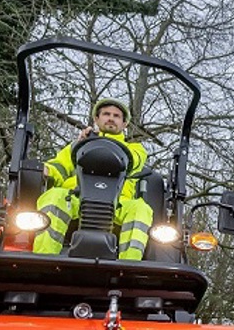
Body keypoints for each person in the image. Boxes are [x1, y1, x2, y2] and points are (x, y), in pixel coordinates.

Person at [32, 98, 155, 260]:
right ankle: (43, 258)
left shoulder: (135, 149)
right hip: (75, 199)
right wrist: (45, 170)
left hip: (118, 204)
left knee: (141, 209)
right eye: (106, 114)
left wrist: (98, 144)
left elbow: (134, 161)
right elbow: (59, 166)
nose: (111, 118)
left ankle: (129, 265)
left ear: (124, 124)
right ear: (96, 119)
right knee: (54, 196)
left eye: (116, 116)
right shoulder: (77, 146)